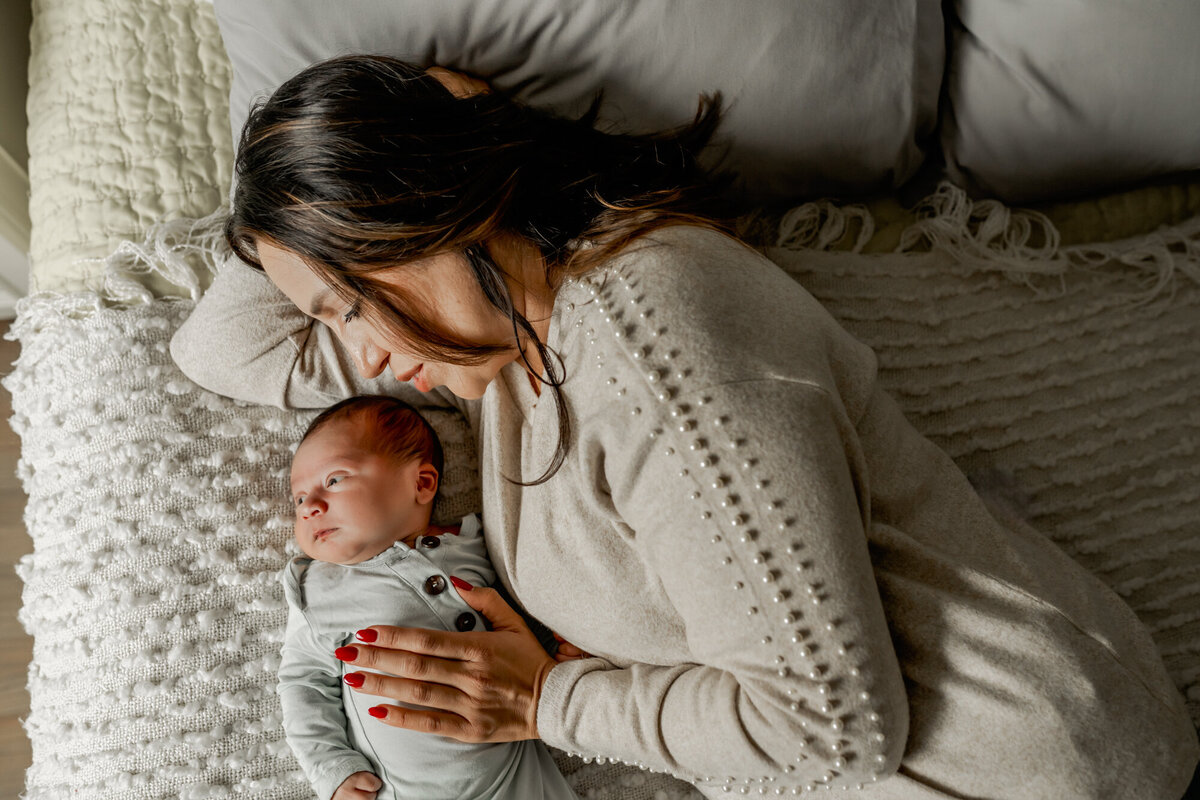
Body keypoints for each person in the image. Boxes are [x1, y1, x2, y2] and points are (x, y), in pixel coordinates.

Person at [171, 54, 1200, 799]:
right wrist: (292, 184)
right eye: (332, 318)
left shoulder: (646, 342)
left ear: (429, 208)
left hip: (1023, 766)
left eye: (352, 299)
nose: (364, 352)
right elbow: (217, 348)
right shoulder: (494, 337)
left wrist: (545, 700)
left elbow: (833, 721)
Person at [279, 394, 582, 800]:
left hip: (518, 778)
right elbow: (303, 682)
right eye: (299, 498)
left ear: (421, 483)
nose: (311, 507)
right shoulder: (319, 589)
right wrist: (332, 768)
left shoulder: (476, 547)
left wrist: (554, 657)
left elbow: (516, 627)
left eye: (335, 480)